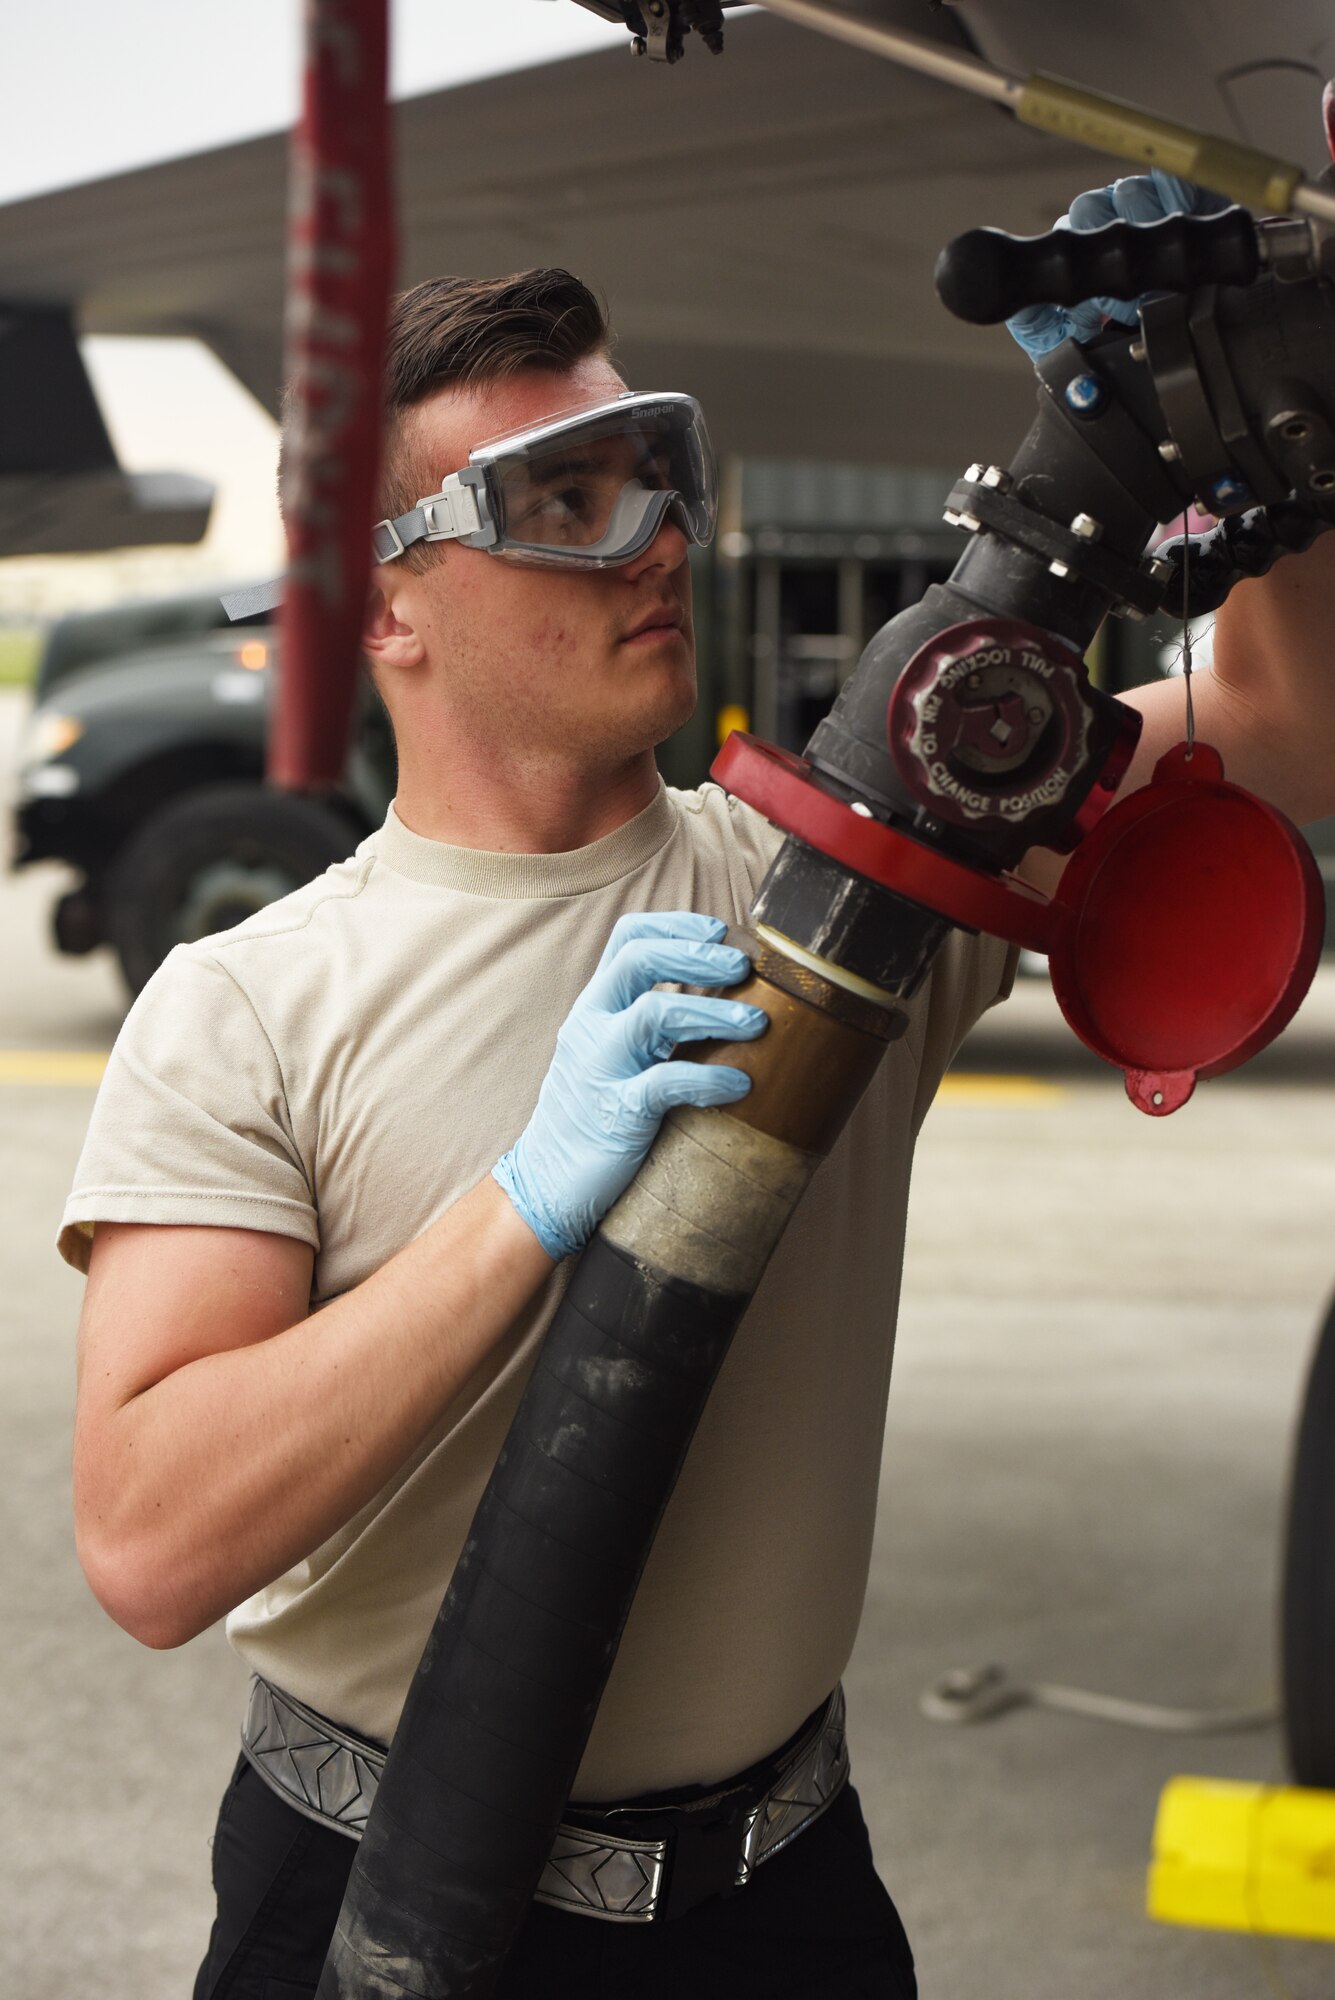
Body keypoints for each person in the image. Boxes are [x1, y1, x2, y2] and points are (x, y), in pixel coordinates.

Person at [64, 176, 1335, 2000]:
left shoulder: (853, 881)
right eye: (562, 502)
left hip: (783, 1904)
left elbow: (1290, 716)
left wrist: (1247, 385)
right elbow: (152, 1542)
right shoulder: (251, 1005)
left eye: (656, 470)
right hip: (372, 1895)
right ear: (388, 604)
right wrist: (523, 1201)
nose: (654, 537)